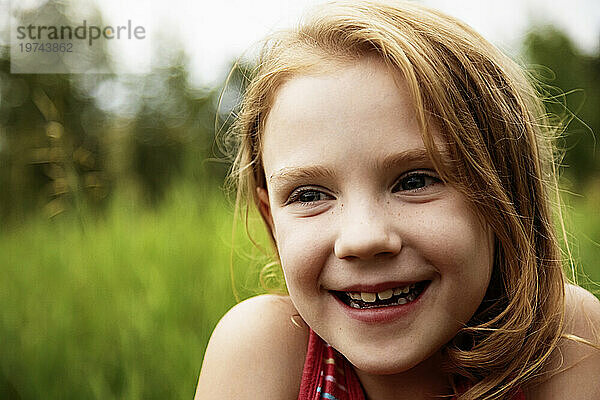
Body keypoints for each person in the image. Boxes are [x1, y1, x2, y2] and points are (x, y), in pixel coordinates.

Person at [194, 1, 600, 399]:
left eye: (415, 181)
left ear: (504, 195)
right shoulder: (265, 350)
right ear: (271, 219)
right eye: (309, 195)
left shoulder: (564, 342)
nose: (362, 238)